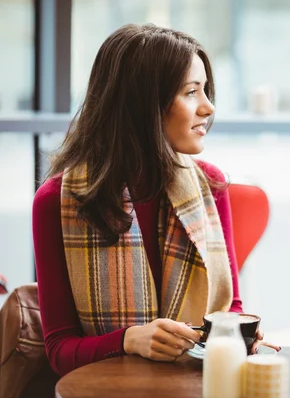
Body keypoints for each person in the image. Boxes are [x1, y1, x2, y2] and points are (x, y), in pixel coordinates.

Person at [32, 24, 261, 376]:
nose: (208, 107)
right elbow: (60, 351)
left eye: (206, 91)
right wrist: (129, 340)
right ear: (143, 103)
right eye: (191, 92)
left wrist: (236, 335)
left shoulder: (210, 184)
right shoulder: (58, 201)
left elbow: (230, 309)